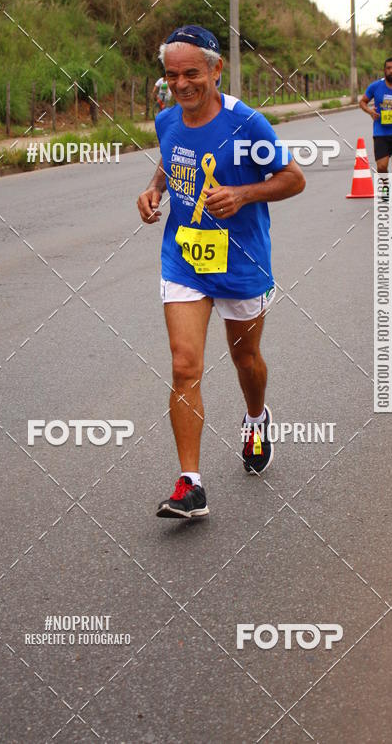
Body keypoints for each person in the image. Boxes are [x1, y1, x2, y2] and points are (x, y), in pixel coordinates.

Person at [136, 25, 305, 519]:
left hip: (242, 260)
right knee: (185, 366)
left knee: (245, 358)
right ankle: (190, 484)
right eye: (172, 76)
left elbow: (293, 179)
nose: (182, 84)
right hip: (184, 258)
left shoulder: (247, 123)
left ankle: (256, 417)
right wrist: (154, 191)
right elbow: (171, 162)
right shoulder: (167, 119)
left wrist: (243, 194)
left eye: (192, 73)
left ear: (215, 69)